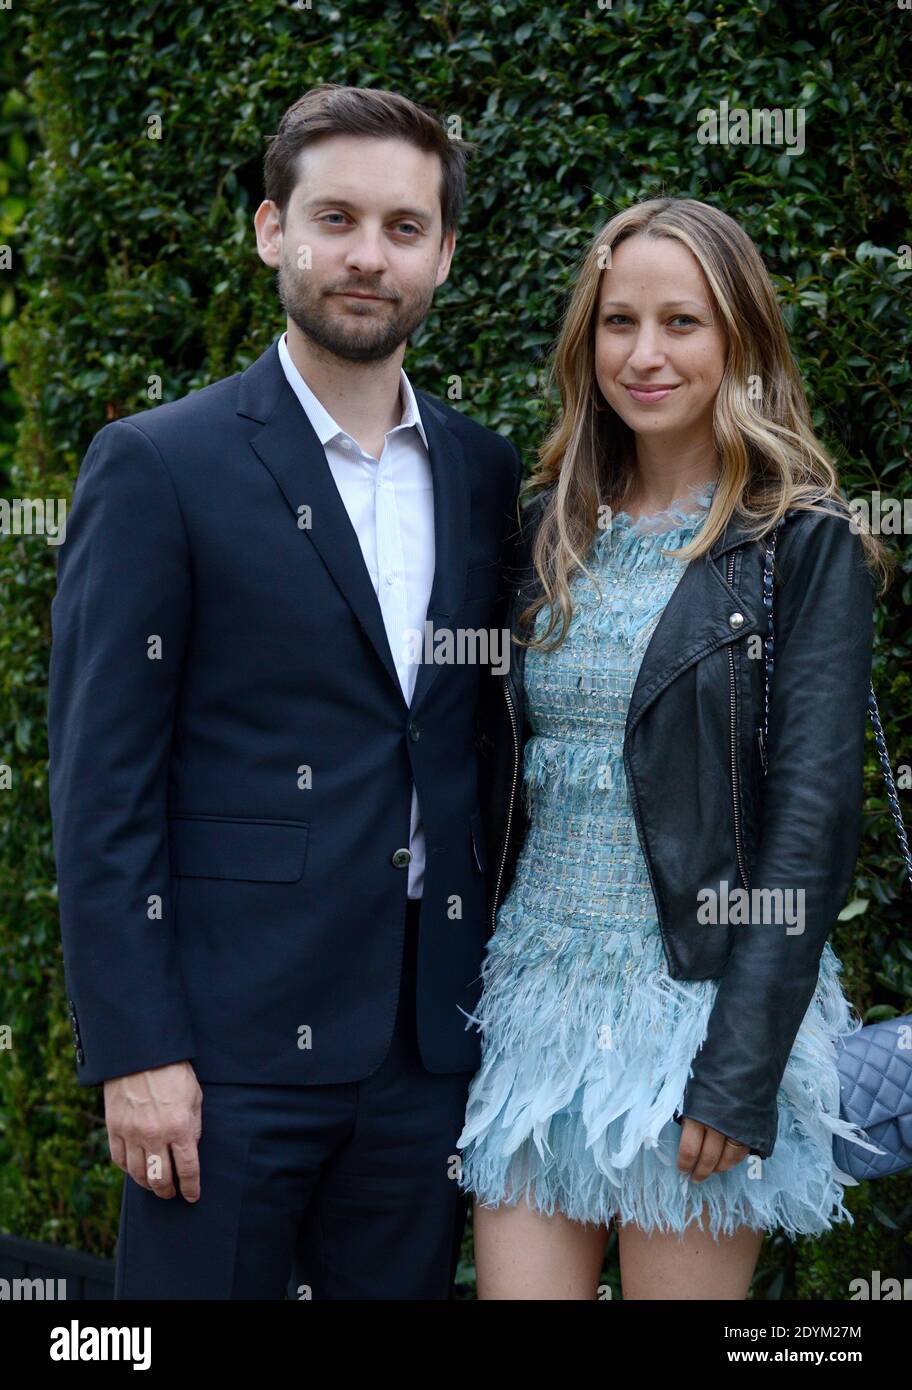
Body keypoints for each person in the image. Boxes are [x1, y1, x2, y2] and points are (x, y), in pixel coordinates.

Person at [48, 83, 521, 1300]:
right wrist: (137, 1050)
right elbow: (101, 784)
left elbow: (470, 739)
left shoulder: (482, 471)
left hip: (425, 1051)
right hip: (224, 1054)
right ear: (274, 231)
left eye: (405, 228)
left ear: (446, 255)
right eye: (337, 218)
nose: (369, 256)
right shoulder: (159, 463)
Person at [463, 196, 894, 1300]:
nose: (644, 354)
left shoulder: (800, 543)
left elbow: (810, 825)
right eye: (618, 322)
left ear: (739, 340)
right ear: (585, 339)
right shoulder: (541, 528)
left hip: (699, 1014)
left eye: (682, 322)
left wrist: (741, 1071)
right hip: (532, 1006)